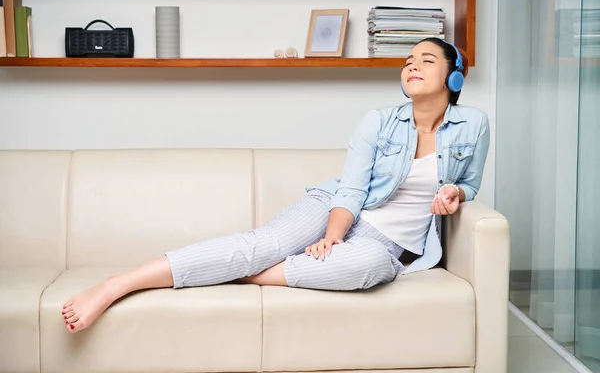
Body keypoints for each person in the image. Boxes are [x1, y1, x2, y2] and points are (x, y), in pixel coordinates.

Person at [61, 38, 490, 334]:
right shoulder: (377, 120)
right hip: (335, 208)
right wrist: (331, 238)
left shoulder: (474, 125)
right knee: (261, 245)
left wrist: (455, 195)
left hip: (386, 243)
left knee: (370, 270)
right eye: (408, 60)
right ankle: (119, 284)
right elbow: (352, 190)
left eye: (427, 60)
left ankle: (228, 271)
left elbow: (468, 183)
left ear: (454, 78)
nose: (412, 65)